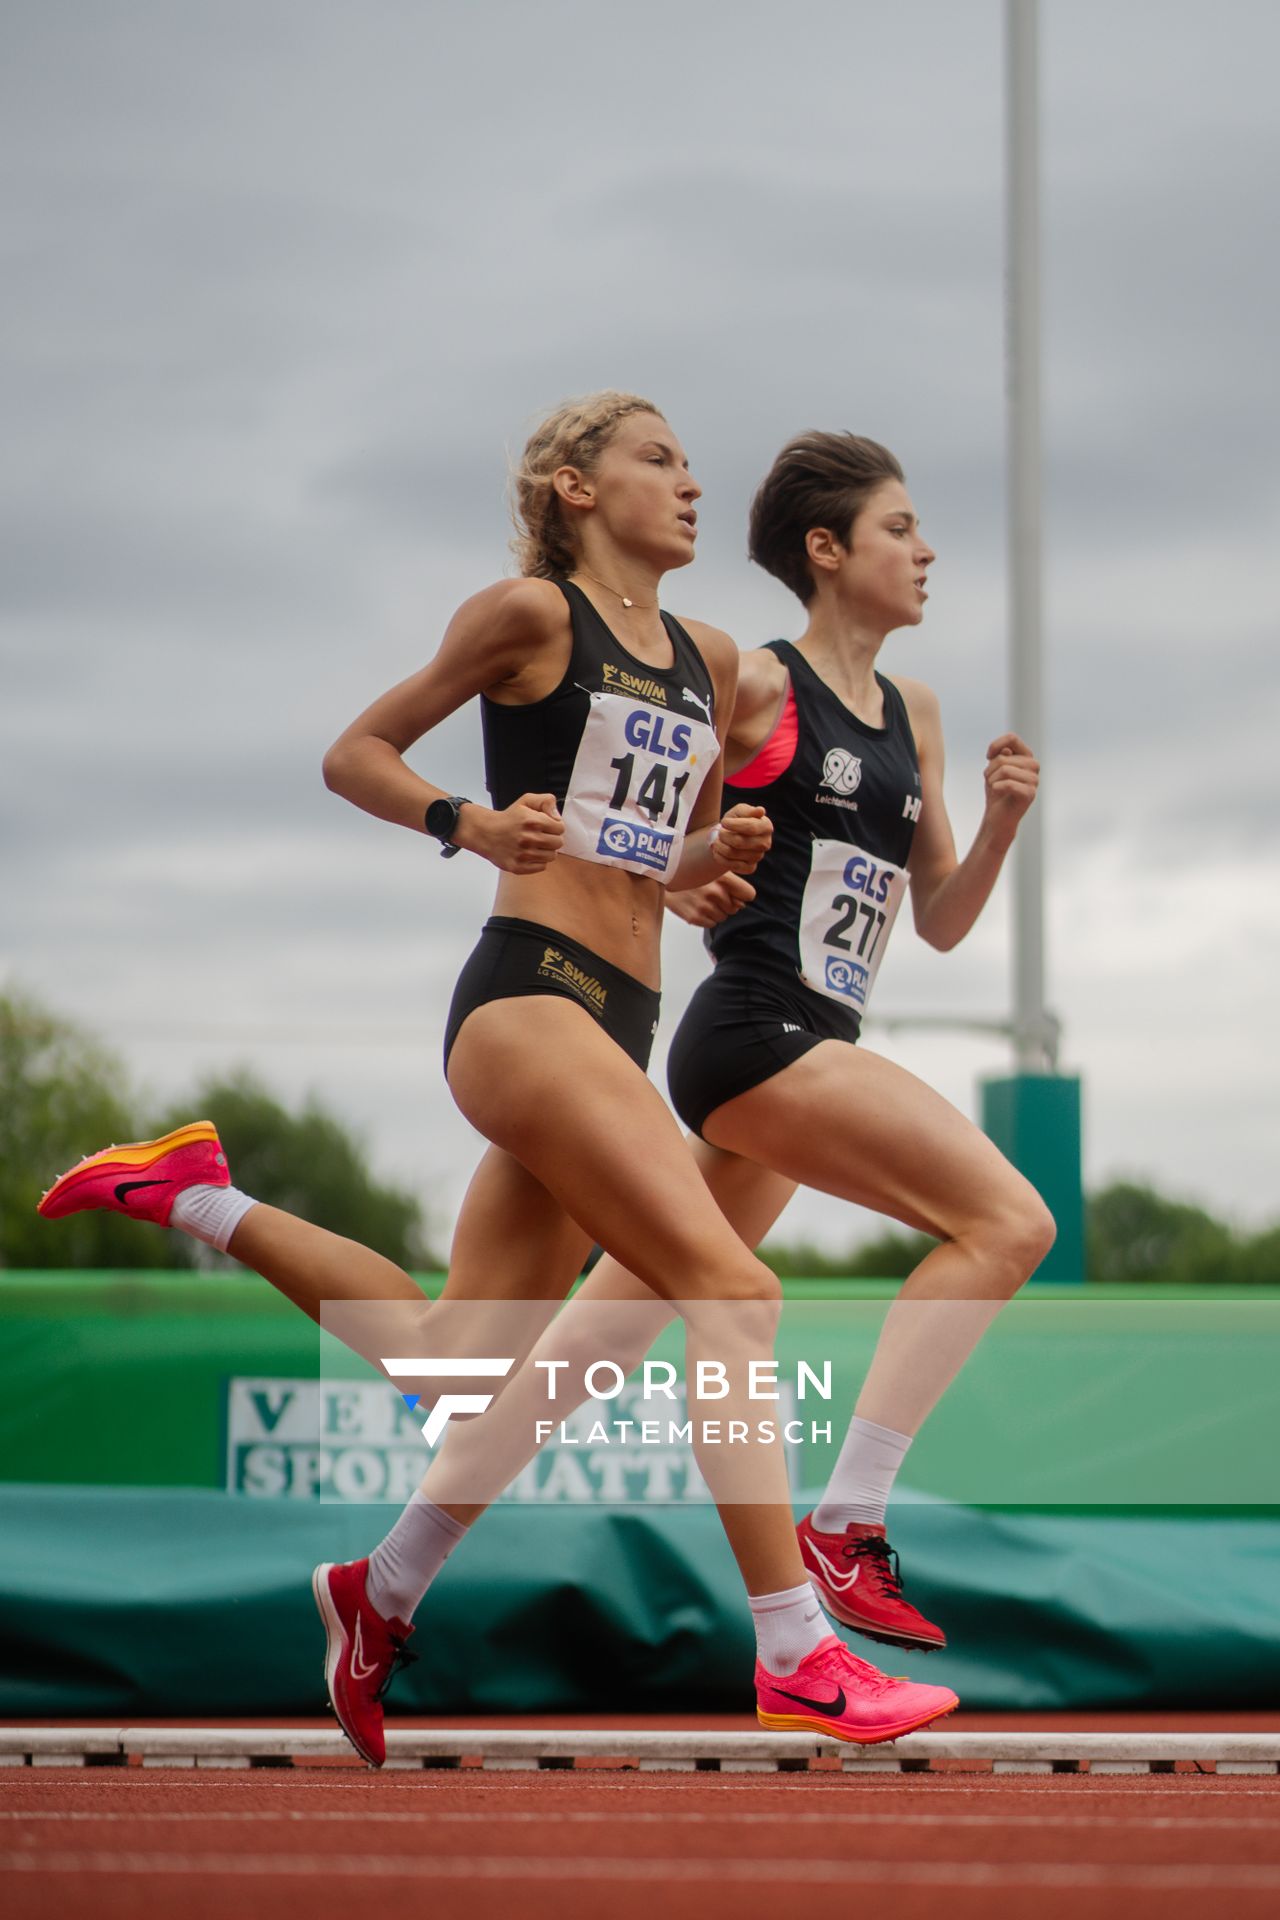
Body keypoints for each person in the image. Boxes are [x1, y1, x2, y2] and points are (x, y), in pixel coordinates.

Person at [38, 396, 958, 1765]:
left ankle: (196, 1202)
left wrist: (721, 862)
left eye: (691, 462)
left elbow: (674, 873)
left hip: (621, 1020)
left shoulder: (708, 658)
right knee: (735, 1292)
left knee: (453, 1369)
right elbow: (357, 750)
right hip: (527, 1003)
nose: (693, 483)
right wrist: (464, 822)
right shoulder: (527, 617)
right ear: (577, 488)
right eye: (660, 459)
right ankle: (792, 1652)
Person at [391, 429, 1056, 1661]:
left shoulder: (914, 714)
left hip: (810, 1046)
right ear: (826, 549)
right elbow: (636, 805)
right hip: (754, 1035)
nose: (925, 552)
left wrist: (1004, 822)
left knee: (599, 1337)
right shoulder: (751, 681)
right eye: (900, 529)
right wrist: (682, 880)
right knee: (1010, 1223)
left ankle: (385, 1581)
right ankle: (844, 1527)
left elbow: (945, 919)